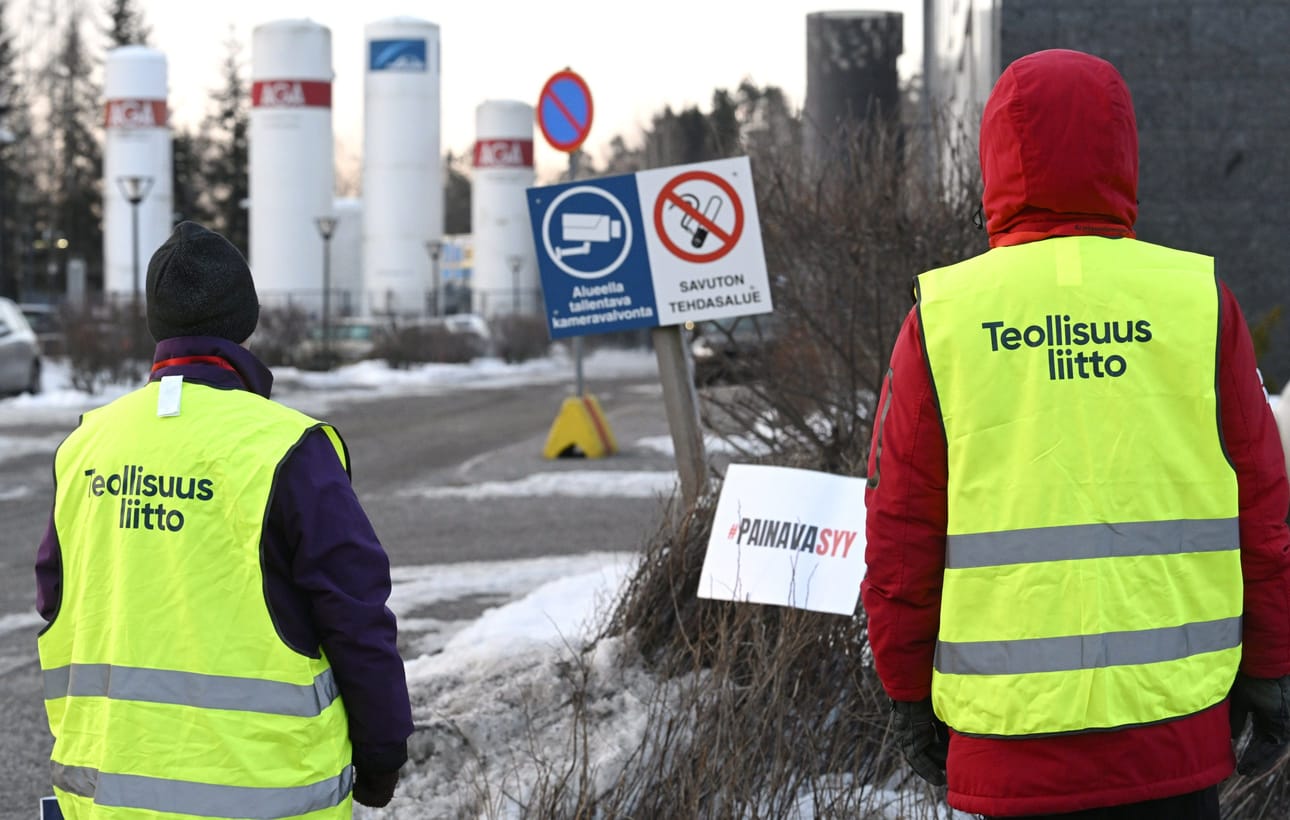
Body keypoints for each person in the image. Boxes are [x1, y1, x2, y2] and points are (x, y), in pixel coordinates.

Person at [861, 49, 1290, 819]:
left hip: (1010, 747)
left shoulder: (943, 320)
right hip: (1174, 734)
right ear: (1123, 150)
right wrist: (1272, 667)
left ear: (995, 157)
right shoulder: (1198, 304)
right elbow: (1261, 511)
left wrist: (905, 693)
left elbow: (901, 538)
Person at [36, 222, 414, 817]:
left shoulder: (87, 445)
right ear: (246, 320)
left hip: (106, 795)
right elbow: (354, 613)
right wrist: (383, 750)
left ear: (155, 322)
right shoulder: (289, 448)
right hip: (269, 797)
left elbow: (56, 600)